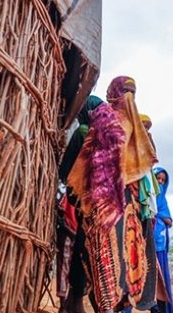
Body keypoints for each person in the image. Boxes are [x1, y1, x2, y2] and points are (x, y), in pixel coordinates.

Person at [67, 76, 158, 312]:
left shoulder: (111, 124)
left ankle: (105, 304)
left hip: (110, 208)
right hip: (120, 209)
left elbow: (84, 168)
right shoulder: (126, 127)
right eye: (127, 92)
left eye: (131, 93)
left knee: (109, 263)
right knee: (115, 263)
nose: (128, 98)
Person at [57, 95, 104, 313]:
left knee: (77, 250)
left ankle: (73, 302)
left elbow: (64, 170)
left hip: (79, 202)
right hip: (101, 207)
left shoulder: (83, 132)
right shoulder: (109, 139)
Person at [151, 167, 173, 313]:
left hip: (160, 244)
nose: (160, 183)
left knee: (160, 281)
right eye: (157, 179)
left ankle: (158, 308)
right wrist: (164, 218)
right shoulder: (150, 196)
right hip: (151, 244)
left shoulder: (162, 199)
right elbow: (165, 217)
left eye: (163, 181)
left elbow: (169, 220)